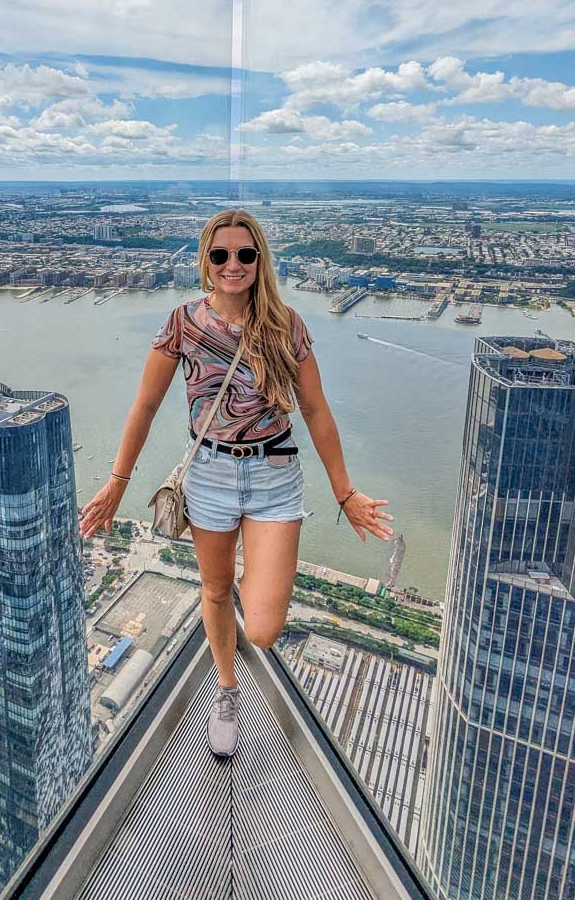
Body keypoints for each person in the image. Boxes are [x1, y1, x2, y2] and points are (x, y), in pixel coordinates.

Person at [77, 208, 393, 757]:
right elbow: (145, 406)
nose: (233, 264)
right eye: (220, 254)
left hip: (275, 476)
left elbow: (316, 410)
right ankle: (226, 691)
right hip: (209, 475)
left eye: (245, 254)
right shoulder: (183, 323)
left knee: (264, 628)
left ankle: (254, 583)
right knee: (217, 589)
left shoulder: (286, 325)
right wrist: (117, 484)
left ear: (259, 260)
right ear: (206, 261)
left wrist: (345, 492)